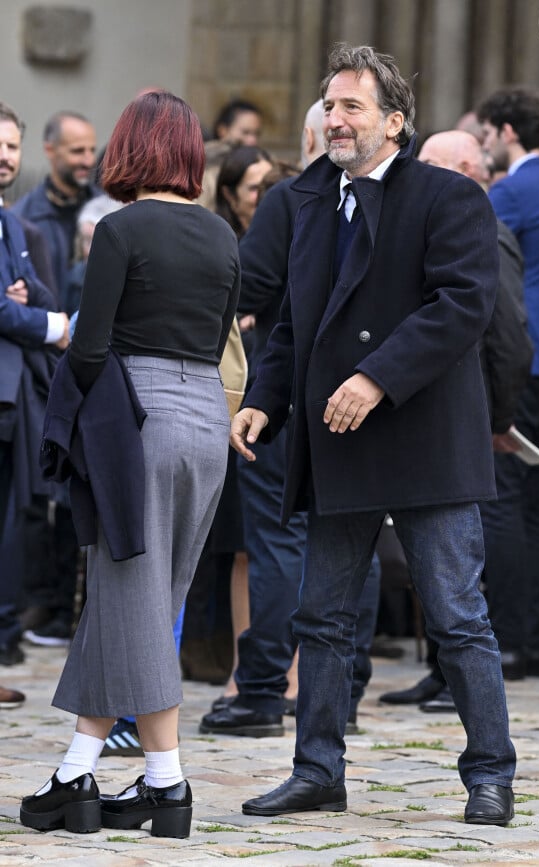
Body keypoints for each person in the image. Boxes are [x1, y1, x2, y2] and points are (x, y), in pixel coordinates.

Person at [230, 44, 516, 826]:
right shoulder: (307, 201)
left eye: (353, 106)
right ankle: (318, 768)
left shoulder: (449, 197)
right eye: (329, 104)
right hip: (338, 440)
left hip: (423, 440)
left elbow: (461, 305)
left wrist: (377, 375)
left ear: (395, 122)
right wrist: (265, 395)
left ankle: (490, 774)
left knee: (457, 616)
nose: (334, 118)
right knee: (321, 618)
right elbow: (293, 320)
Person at [19, 89, 240, 838]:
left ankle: (167, 784)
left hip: (138, 414)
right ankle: (75, 772)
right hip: (206, 414)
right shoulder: (220, 236)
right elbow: (214, 346)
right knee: (141, 593)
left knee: (134, 591)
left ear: (129, 147)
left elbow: (87, 350)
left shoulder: (118, 229)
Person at [199, 100, 381, 739]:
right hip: (366, 395)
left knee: (277, 543)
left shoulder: (291, 200)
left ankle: (261, 691)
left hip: (292, 393)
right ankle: (344, 691)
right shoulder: (378, 199)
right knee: (354, 544)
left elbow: (245, 292)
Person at [379, 128, 534, 711]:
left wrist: (498, 417)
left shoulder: (486, 231)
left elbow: (508, 338)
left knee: (462, 571)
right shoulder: (435, 225)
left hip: (470, 423)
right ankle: (443, 672)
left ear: (468, 168)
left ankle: (467, 680)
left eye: (433, 167)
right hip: (434, 423)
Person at [477, 88, 539, 678]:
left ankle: (510, 641)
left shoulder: (512, 190)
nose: (487, 143)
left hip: (528, 355)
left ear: (508, 132)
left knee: (508, 496)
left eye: (489, 133)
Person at [180, 144, 272, 694]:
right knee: (213, 540)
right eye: (252, 187)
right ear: (232, 194)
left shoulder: (282, 231)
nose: (261, 197)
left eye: (268, 185)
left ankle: (244, 662)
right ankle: (206, 652)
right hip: (224, 397)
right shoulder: (222, 240)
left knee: (242, 541)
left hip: (260, 397)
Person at [11, 110, 99, 647]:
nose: (87, 161)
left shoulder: (98, 208)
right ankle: (38, 603)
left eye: (91, 150)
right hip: (44, 364)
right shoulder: (25, 217)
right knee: (40, 495)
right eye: (76, 152)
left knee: (69, 495)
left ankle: (60, 607)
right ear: (50, 151)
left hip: (82, 359)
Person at [0, 100, 69, 705]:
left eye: (10, 147)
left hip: (14, 397)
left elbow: (42, 293)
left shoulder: (17, 227)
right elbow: (13, 310)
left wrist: (30, 309)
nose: (4, 157)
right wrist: (41, 322)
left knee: (13, 521)